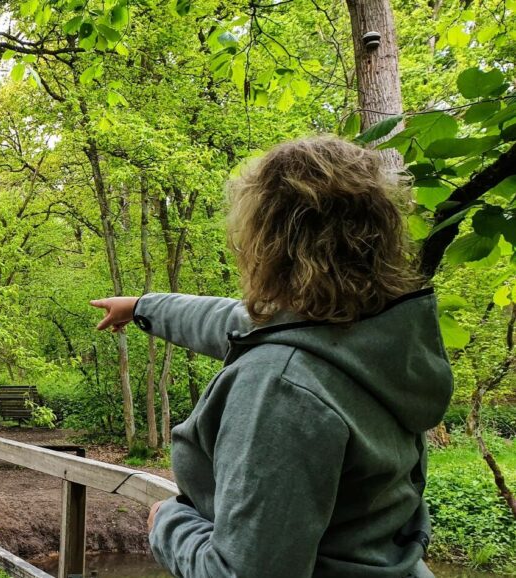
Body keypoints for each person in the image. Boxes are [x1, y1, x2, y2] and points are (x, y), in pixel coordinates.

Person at [90, 136, 453, 578]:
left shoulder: (281, 388)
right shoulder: (376, 338)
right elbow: (232, 321)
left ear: (268, 241)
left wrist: (167, 522)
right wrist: (143, 307)